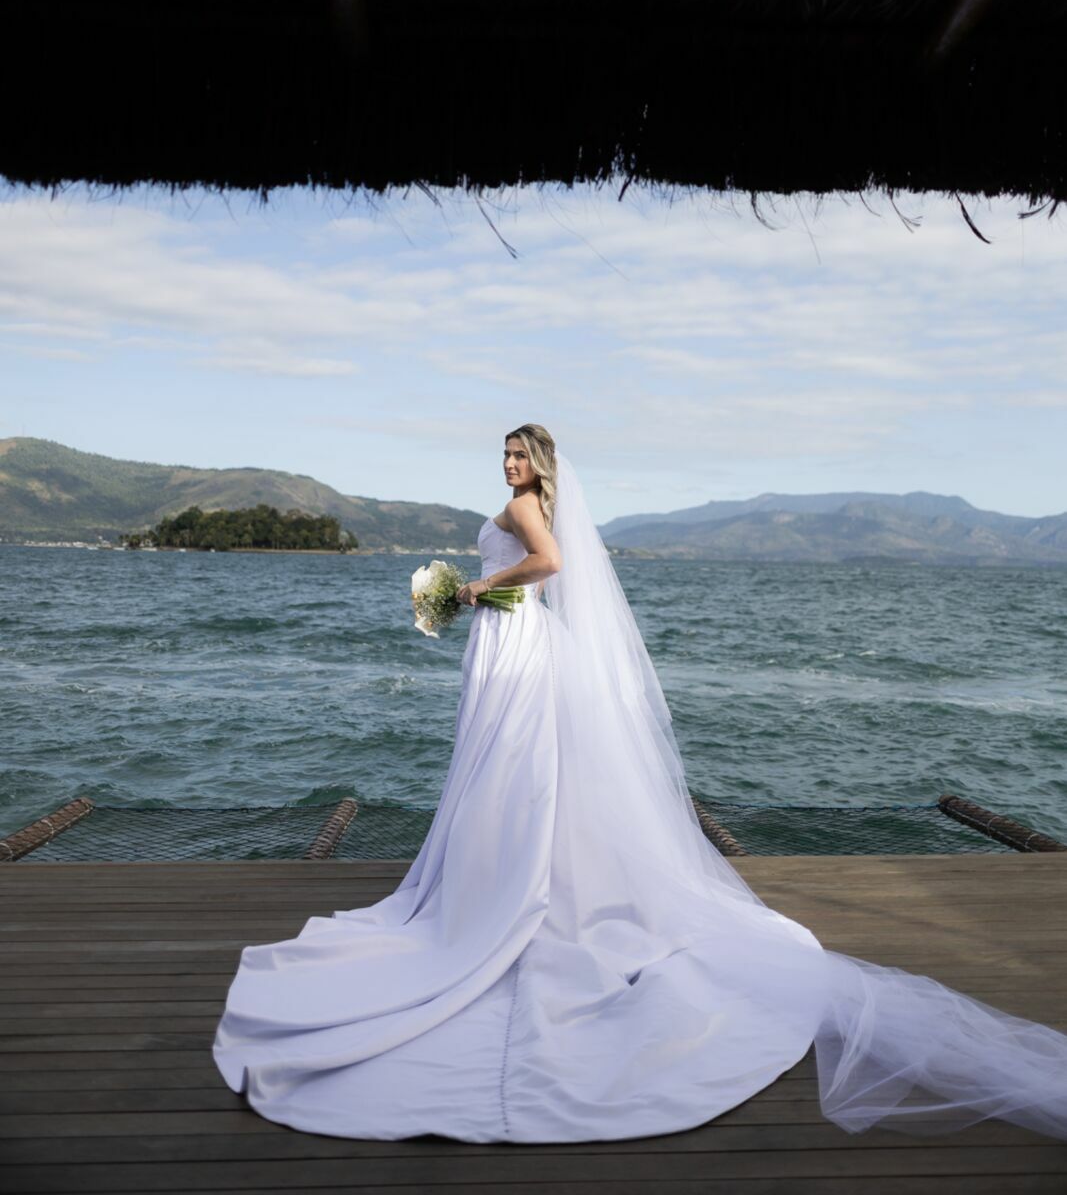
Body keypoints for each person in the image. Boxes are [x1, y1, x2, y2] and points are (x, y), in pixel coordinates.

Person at [212, 424, 1067, 1142]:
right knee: (518, 769)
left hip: (513, 632)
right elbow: (554, 561)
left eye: (518, 457)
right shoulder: (538, 504)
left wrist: (471, 587)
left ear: (538, 464)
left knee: (510, 768)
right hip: (524, 638)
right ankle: (528, 874)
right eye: (504, 457)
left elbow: (544, 565)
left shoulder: (524, 511)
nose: (508, 468)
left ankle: (506, 890)